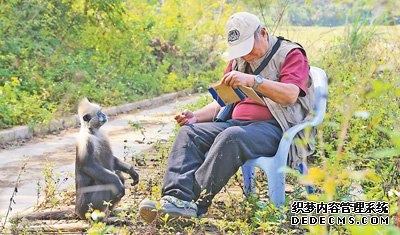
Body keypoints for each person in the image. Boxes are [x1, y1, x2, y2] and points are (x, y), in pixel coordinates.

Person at [138, 12, 315, 223]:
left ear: (264, 33)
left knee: (232, 136)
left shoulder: (291, 54)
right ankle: (175, 198)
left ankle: (192, 204)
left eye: (248, 47)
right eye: (240, 50)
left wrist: (254, 81)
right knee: (189, 133)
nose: (245, 55)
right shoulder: (239, 61)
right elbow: (223, 101)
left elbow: (290, 95)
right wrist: (196, 117)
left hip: (275, 128)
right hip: (237, 124)